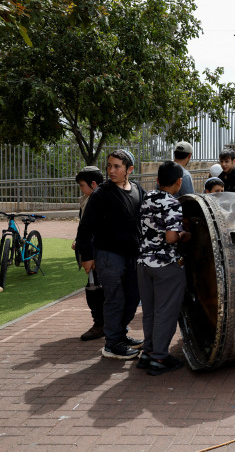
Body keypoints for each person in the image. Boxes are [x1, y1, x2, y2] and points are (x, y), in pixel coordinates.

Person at [76, 149, 144, 360]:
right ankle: (112, 343)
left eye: (117, 166)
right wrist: (87, 256)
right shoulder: (102, 193)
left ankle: (120, 334)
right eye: (109, 166)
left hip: (132, 255)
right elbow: (85, 228)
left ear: (129, 169)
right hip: (108, 255)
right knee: (115, 298)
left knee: (133, 297)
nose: (111, 170)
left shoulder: (138, 190)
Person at [136, 160, 190, 376]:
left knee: (149, 311)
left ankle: (148, 352)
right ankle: (160, 356)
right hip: (165, 265)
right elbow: (170, 237)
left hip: (143, 263)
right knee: (165, 311)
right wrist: (185, 235)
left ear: (158, 180)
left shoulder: (147, 197)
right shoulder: (172, 203)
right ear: (179, 182)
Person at [73, 166, 105, 341]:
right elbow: (84, 228)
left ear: (93, 184)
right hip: (92, 252)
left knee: (96, 289)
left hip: (98, 254)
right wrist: (78, 242)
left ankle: (101, 324)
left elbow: (95, 231)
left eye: (82, 185)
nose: (81, 189)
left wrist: (88, 255)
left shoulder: (99, 200)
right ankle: (104, 322)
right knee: (96, 287)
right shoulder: (86, 200)